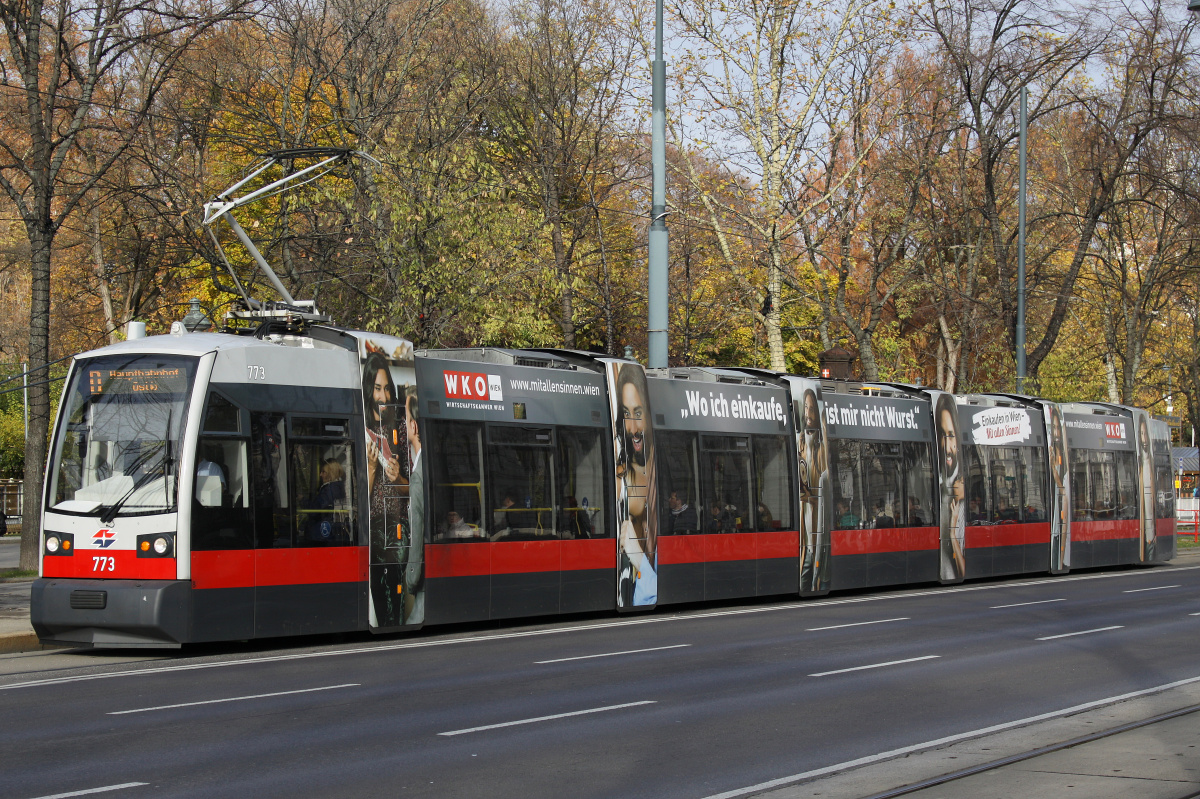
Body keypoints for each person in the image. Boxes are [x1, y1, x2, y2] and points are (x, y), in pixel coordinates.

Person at [612, 363, 657, 606]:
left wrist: (638, 556)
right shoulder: (621, 474)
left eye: (638, 414)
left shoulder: (657, 473)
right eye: (626, 414)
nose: (633, 429)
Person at [936, 395, 966, 580]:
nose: (947, 447)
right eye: (942, 435)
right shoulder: (938, 483)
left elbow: (961, 570)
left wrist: (953, 535)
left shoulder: (961, 492)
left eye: (951, 435)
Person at [402, 386, 424, 624]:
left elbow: (417, 532)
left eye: (406, 418)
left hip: (424, 585)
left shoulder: (418, 476)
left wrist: (411, 578)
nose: (404, 423)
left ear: (414, 426)